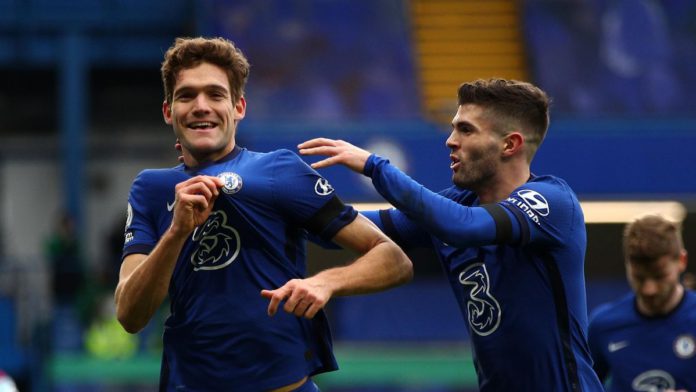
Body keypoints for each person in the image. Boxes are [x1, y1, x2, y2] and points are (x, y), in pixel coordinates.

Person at [114, 36, 412, 392]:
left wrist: (324, 283)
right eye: (186, 96)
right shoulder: (151, 188)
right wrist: (177, 232)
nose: (201, 106)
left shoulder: (280, 170)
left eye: (215, 94)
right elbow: (130, 315)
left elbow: (394, 260)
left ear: (239, 107)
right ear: (168, 112)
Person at [297, 78, 604, 391]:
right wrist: (279, 205)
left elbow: (463, 226)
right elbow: (344, 230)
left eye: (466, 130)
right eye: (454, 127)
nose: (450, 140)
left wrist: (376, 167)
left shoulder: (551, 202)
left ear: (510, 145)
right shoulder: (456, 206)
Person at [588, 215, 696, 392]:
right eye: (639, 277)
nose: (649, 289)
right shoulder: (603, 326)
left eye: (659, 276)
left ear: (682, 261)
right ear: (627, 265)